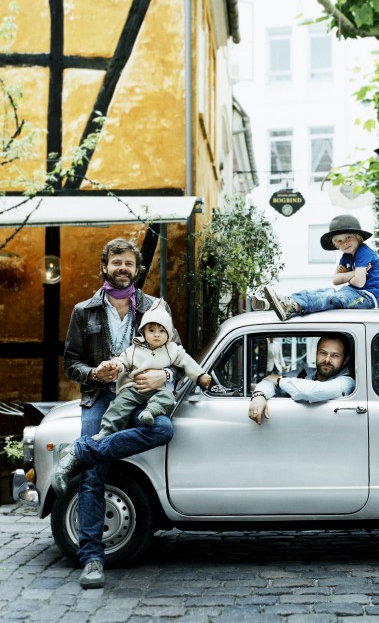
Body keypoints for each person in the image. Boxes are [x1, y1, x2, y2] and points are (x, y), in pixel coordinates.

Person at [57, 238, 183, 590]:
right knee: (94, 476)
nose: (122, 268)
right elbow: (70, 363)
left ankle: (81, 450)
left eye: (128, 263)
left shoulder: (156, 307)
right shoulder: (84, 311)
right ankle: (92, 558)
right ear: (105, 267)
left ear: (137, 269)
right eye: (116, 263)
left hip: (142, 395)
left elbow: (177, 357)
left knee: (163, 430)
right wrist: (95, 373)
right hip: (100, 397)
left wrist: (164, 375)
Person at [90, 299, 212, 440]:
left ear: (169, 333)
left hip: (159, 389)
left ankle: (149, 412)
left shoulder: (172, 349)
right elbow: (123, 361)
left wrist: (200, 375)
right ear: (143, 331)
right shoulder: (135, 348)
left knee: (168, 398)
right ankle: (107, 431)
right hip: (134, 388)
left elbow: (187, 362)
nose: (157, 335)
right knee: (118, 406)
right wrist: (116, 366)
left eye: (162, 331)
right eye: (151, 330)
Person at [252, 214, 379, 321]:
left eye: (348, 237)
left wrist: (347, 276)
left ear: (358, 237)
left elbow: (359, 283)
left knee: (331, 297)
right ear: (336, 245)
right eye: (339, 241)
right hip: (351, 292)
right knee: (320, 292)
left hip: (366, 298)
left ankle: (293, 307)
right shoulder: (346, 256)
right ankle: (278, 302)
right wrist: (354, 273)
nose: (345, 243)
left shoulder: (363, 252)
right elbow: (336, 280)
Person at [248, 333, 354, 424]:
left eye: (335, 355)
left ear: (345, 360)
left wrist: (279, 380)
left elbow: (310, 391)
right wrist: (259, 394)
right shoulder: (304, 373)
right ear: (316, 354)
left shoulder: (347, 382)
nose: (327, 360)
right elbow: (269, 381)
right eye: (323, 353)